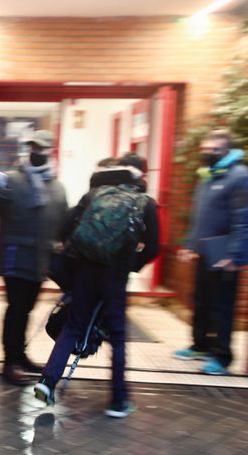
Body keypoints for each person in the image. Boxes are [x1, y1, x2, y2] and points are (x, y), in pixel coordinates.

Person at [34, 153, 160, 418]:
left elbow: (66, 229)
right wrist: (131, 264)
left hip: (85, 271)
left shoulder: (95, 195)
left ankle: (47, 382)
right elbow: (154, 248)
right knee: (117, 335)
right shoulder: (146, 202)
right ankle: (118, 400)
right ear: (142, 176)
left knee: (73, 326)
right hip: (115, 276)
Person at [0, 129, 69, 386]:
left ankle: (20, 356)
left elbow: (63, 221)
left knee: (27, 309)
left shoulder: (57, 186)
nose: (36, 152)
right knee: (17, 309)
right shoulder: (11, 179)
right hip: (15, 255)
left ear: (49, 151)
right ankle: (10, 362)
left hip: (42, 258)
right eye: (32, 147)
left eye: (41, 148)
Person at [174, 129, 248, 376]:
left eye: (214, 150)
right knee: (202, 300)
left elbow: (244, 218)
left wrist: (235, 254)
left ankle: (222, 357)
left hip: (225, 249)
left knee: (222, 306)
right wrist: (190, 245)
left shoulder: (242, 176)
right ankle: (200, 345)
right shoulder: (208, 176)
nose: (208, 153)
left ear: (228, 150)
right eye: (205, 149)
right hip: (205, 249)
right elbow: (198, 216)